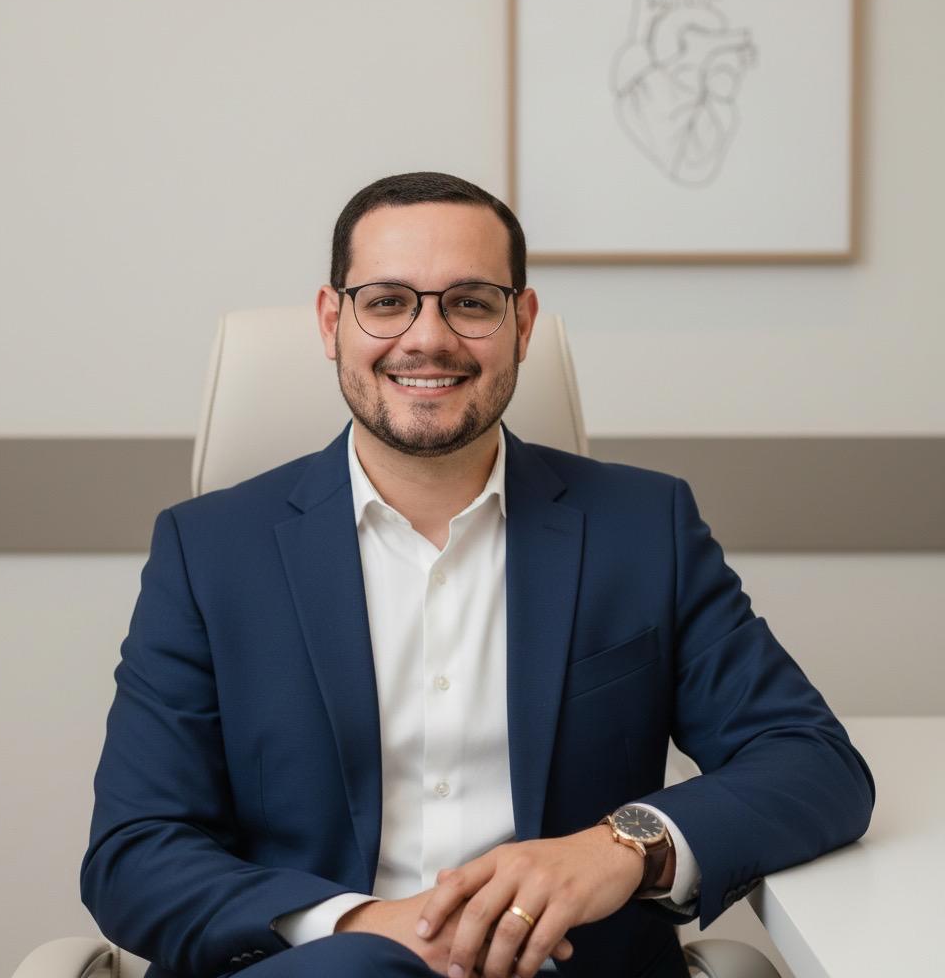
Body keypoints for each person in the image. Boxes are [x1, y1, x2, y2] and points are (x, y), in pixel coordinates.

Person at [80, 172, 875, 978]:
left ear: (522, 323)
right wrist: (362, 926)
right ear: (331, 322)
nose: (428, 338)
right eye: (387, 301)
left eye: (470, 302)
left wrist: (619, 845)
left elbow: (811, 761)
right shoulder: (208, 551)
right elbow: (135, 852)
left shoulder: (644, 529)